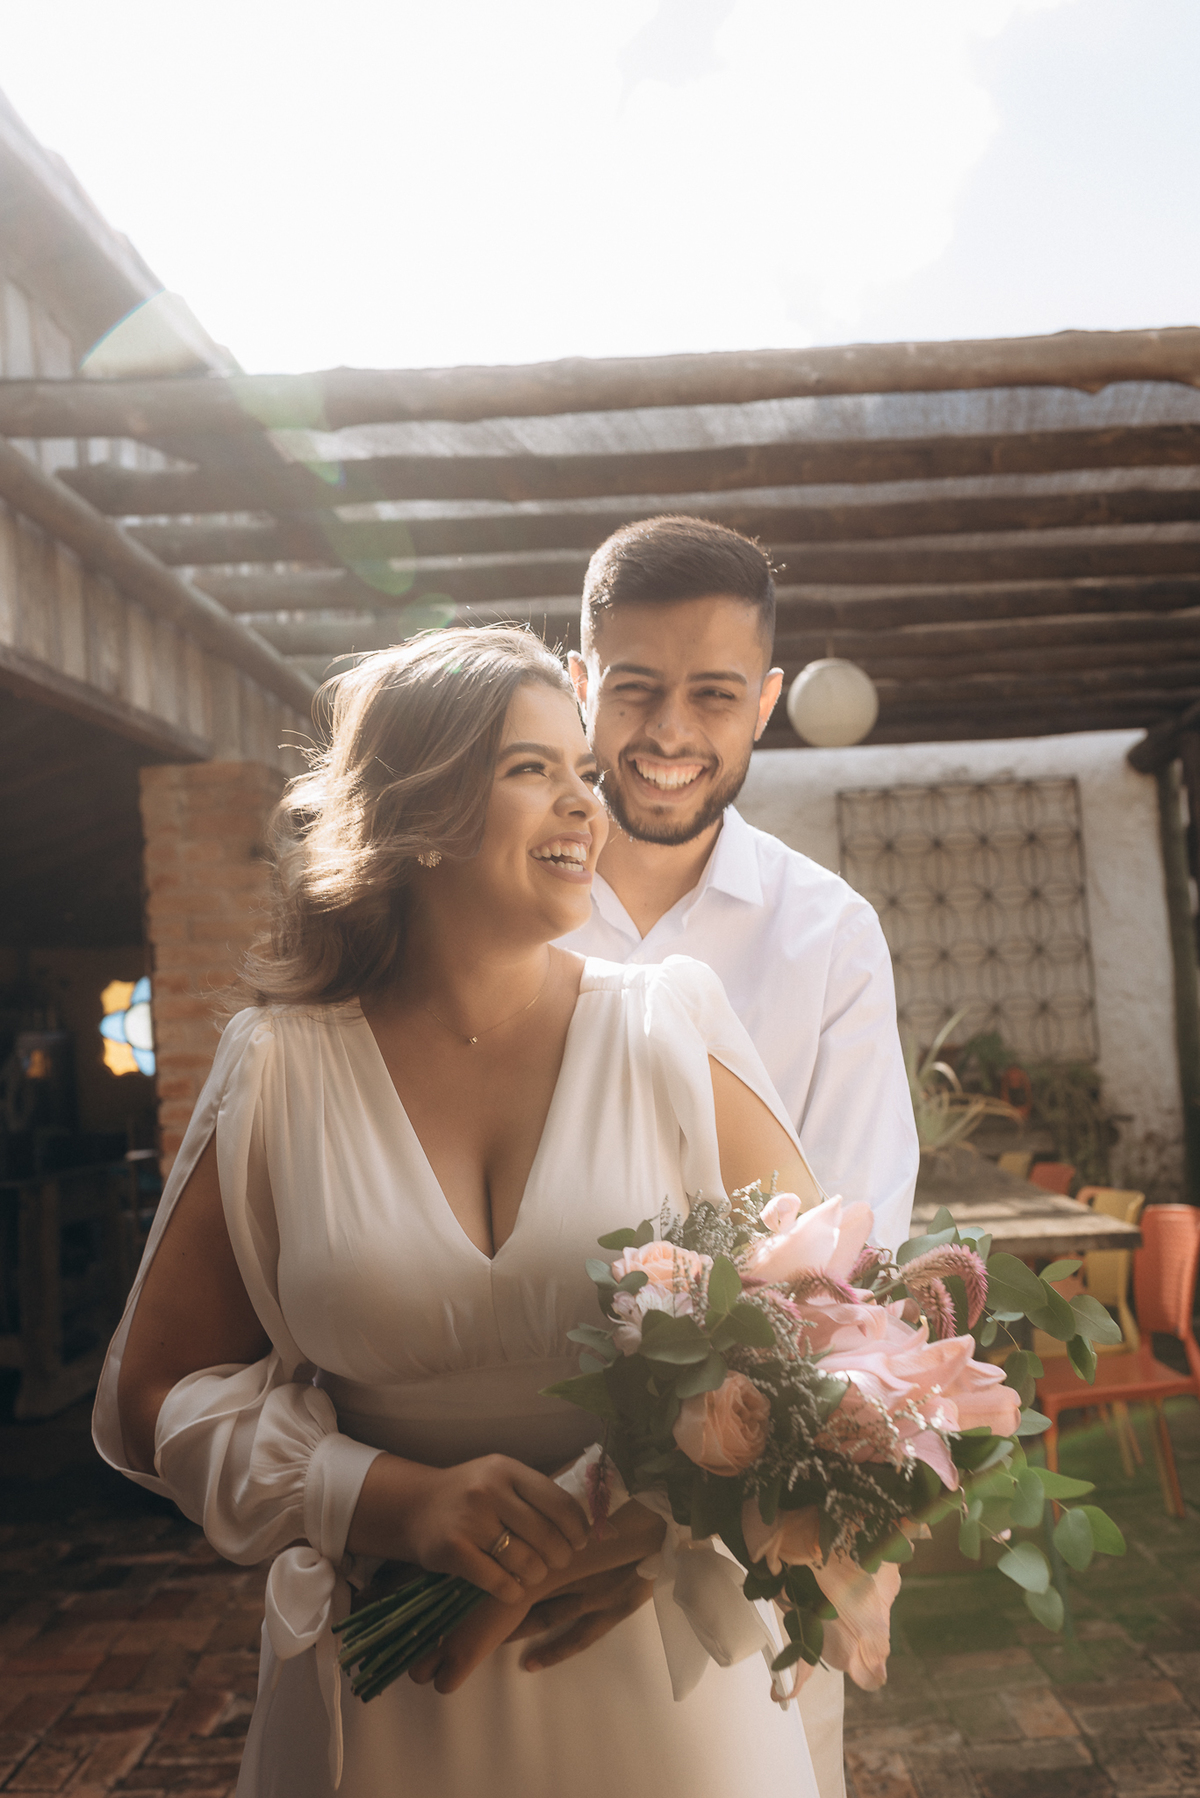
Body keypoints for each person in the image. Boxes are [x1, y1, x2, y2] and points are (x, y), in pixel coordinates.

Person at [94, 626, 826, 1798]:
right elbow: (150, 1402)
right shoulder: (282, 1068)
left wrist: (654, 1523)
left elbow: (835, 1338)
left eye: (584, 769)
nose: (586, 802)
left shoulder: (668, 1031)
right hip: (390, 1703)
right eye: (533, 768)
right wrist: (385, 1498)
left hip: (658, 1687)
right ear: (420, 811)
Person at [552, 515, 920, 1798]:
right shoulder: (500, 903)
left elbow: (856, 1243)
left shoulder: (827, 932)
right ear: (580, 682)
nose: (668, 733)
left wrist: (696, 1479)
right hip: (510, 1493)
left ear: (764, 701)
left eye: (712, 694)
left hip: (739, 1503)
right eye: (636, 687)